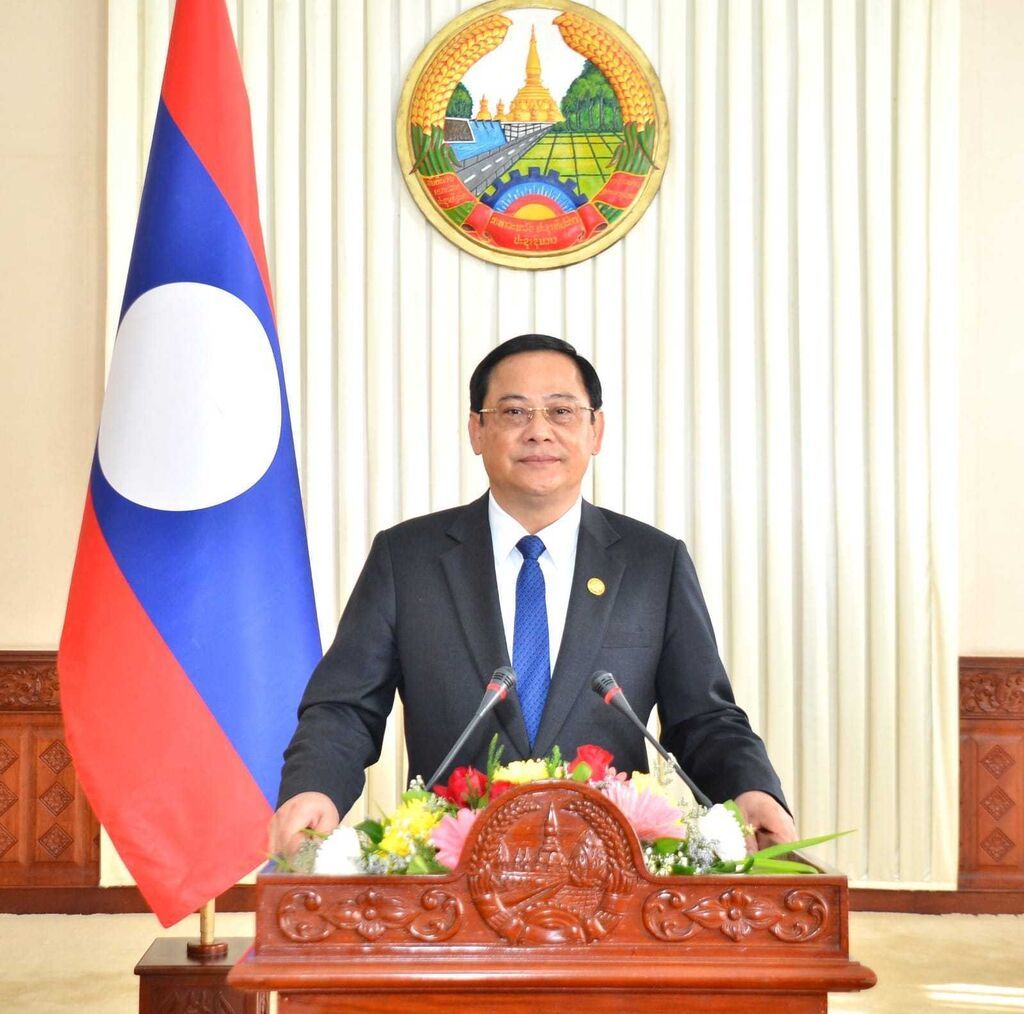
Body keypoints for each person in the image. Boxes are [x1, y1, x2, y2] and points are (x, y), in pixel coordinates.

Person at [270, 335, 795, 855]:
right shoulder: (407, 558)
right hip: (449, 869)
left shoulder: (653, 563)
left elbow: (703, 718)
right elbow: (345, 708)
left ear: (596, 430)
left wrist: (751, 790)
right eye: (514, 411)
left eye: (562, 411)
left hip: (610, 869)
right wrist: (314, 788)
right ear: (477, 430)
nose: (539, 431)